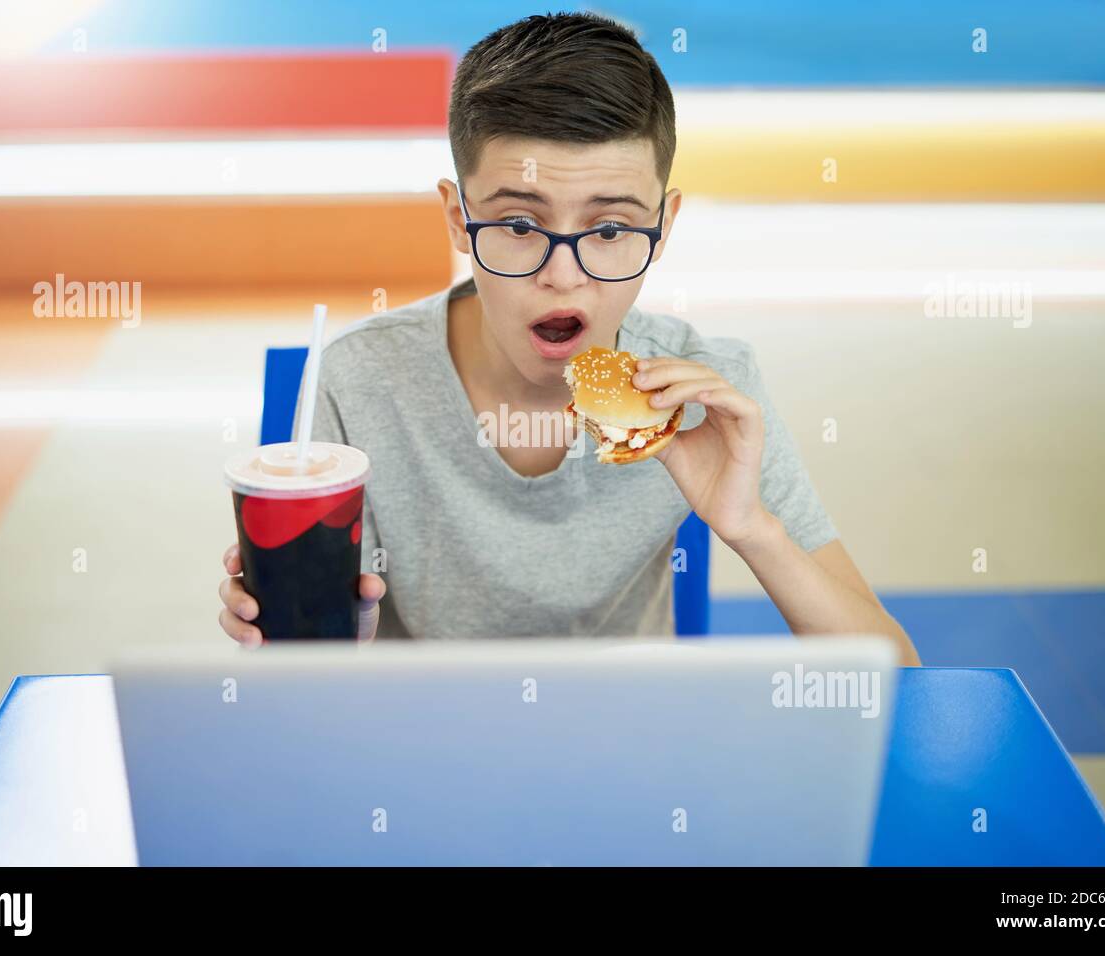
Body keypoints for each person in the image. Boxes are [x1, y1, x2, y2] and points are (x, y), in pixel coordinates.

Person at [218, 12, 920, 666]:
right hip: (424, 742)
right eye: (520, 226)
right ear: (459, 220)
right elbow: (311, 670)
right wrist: (332, 638)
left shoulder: (709, 388)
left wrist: (751, 526)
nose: (563, 276)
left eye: (611, 230)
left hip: (628, 743)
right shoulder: (358, 377)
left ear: (664, 227)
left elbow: (897, 671)